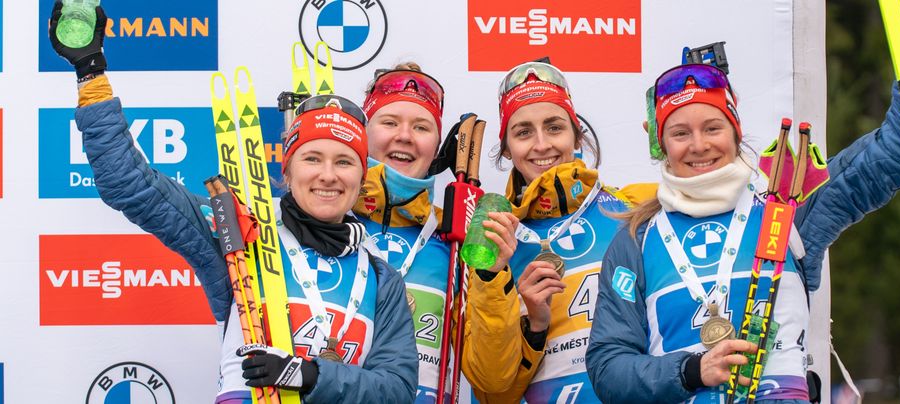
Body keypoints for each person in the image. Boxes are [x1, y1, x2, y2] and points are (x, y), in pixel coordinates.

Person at [48, 2, 417, 402]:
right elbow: (128, 183)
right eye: (312, 159)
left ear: (361, 180)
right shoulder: (241, 241)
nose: (328, 175)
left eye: (344, 162)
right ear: (287, 173)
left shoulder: (381, 280)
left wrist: (309, 375)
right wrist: (90, 73)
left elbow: (396, 390)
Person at [585, 1, 900, 402]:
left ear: (736, 131)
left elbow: (898, 151)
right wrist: (691, 370)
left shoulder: (787, 211)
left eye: (713, 127)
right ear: (662, 144)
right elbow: (608, 367)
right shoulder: (636, 239)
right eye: (680, 133)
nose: (699, 145)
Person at [460, 61, 655, 402]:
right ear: (506, 148)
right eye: (523, 132)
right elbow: (493, 391)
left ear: (577, 134)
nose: (541, 144)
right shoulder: (492, 240)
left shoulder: (637, 206)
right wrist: (534, 325)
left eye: (554, 127)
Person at [354, 62, 473, 402]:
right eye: (389, 122)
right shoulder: (324, 222)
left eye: (421, 127)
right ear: (363, 133)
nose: (404, 136)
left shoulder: (457, 237)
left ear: (437, 148)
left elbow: (488, 375)